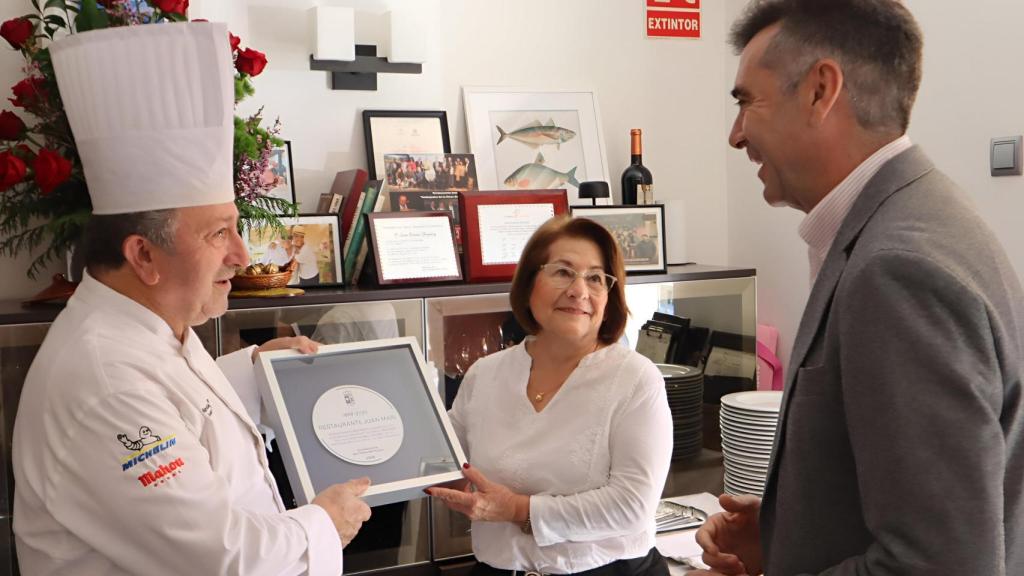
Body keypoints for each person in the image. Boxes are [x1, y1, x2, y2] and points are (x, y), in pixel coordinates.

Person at [12, 23, 371, 575]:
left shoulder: (148, 327)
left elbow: (175, 408)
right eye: (217, 234)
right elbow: (222, 558)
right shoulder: (105, 382)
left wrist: (255, 370)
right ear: (144, 256)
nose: (243, 257)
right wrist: (325, 522)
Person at [696, 1, 1024, 575]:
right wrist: (785, 535)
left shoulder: (898, 268)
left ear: (821, 90)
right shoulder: (918, 218)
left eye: (747, 101)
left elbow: (942, 565)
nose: (735, 134)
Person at [427, 216, 673, 576]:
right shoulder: (486, 374)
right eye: (562, 272)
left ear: (610, 295)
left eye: (595, 278)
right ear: (528, 284)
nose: (579, 290)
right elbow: (437, 459)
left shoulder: (636, 379)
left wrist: (517, 510)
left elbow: (632, 506)